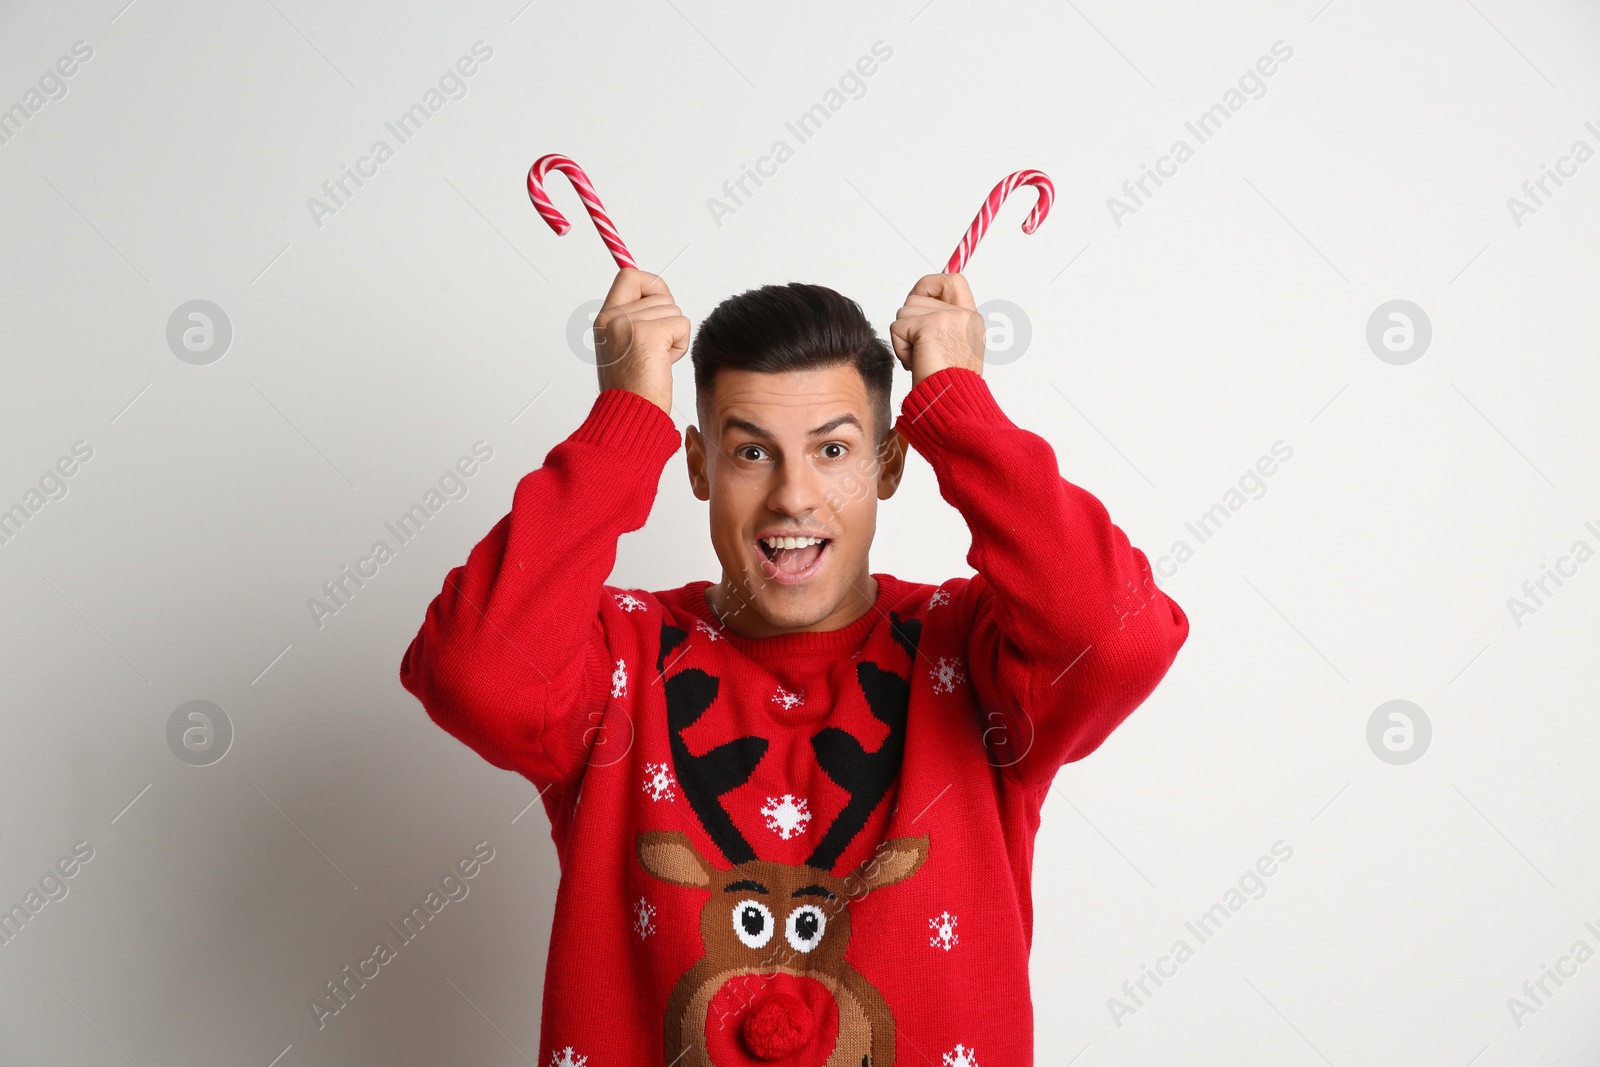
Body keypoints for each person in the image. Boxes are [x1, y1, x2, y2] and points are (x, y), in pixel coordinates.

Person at [399, 267, 1188, 1066]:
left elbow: (1119, 639)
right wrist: (625, 420)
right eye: (751, 453)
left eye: (834, 450)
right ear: (699, 467)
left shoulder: (976, 654)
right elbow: (474, 671)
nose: (793, 496)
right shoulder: (617, 659)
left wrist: (959, 405)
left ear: (888, 466)